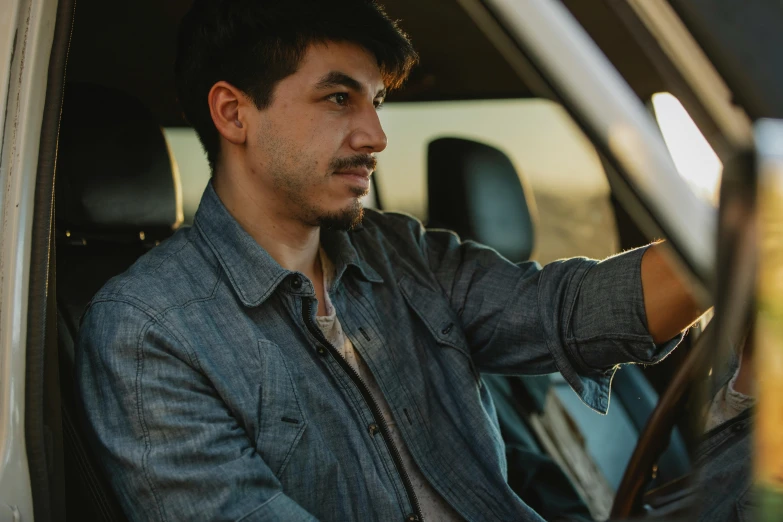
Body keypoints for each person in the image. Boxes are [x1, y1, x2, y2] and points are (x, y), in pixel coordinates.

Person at [76, 1, 704, 520]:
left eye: (376, 101)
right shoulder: (148, 329)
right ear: (234, 113)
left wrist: (739, 243)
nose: (375, 135)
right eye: (338, 99)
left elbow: (572, 312)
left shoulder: (401, 253)